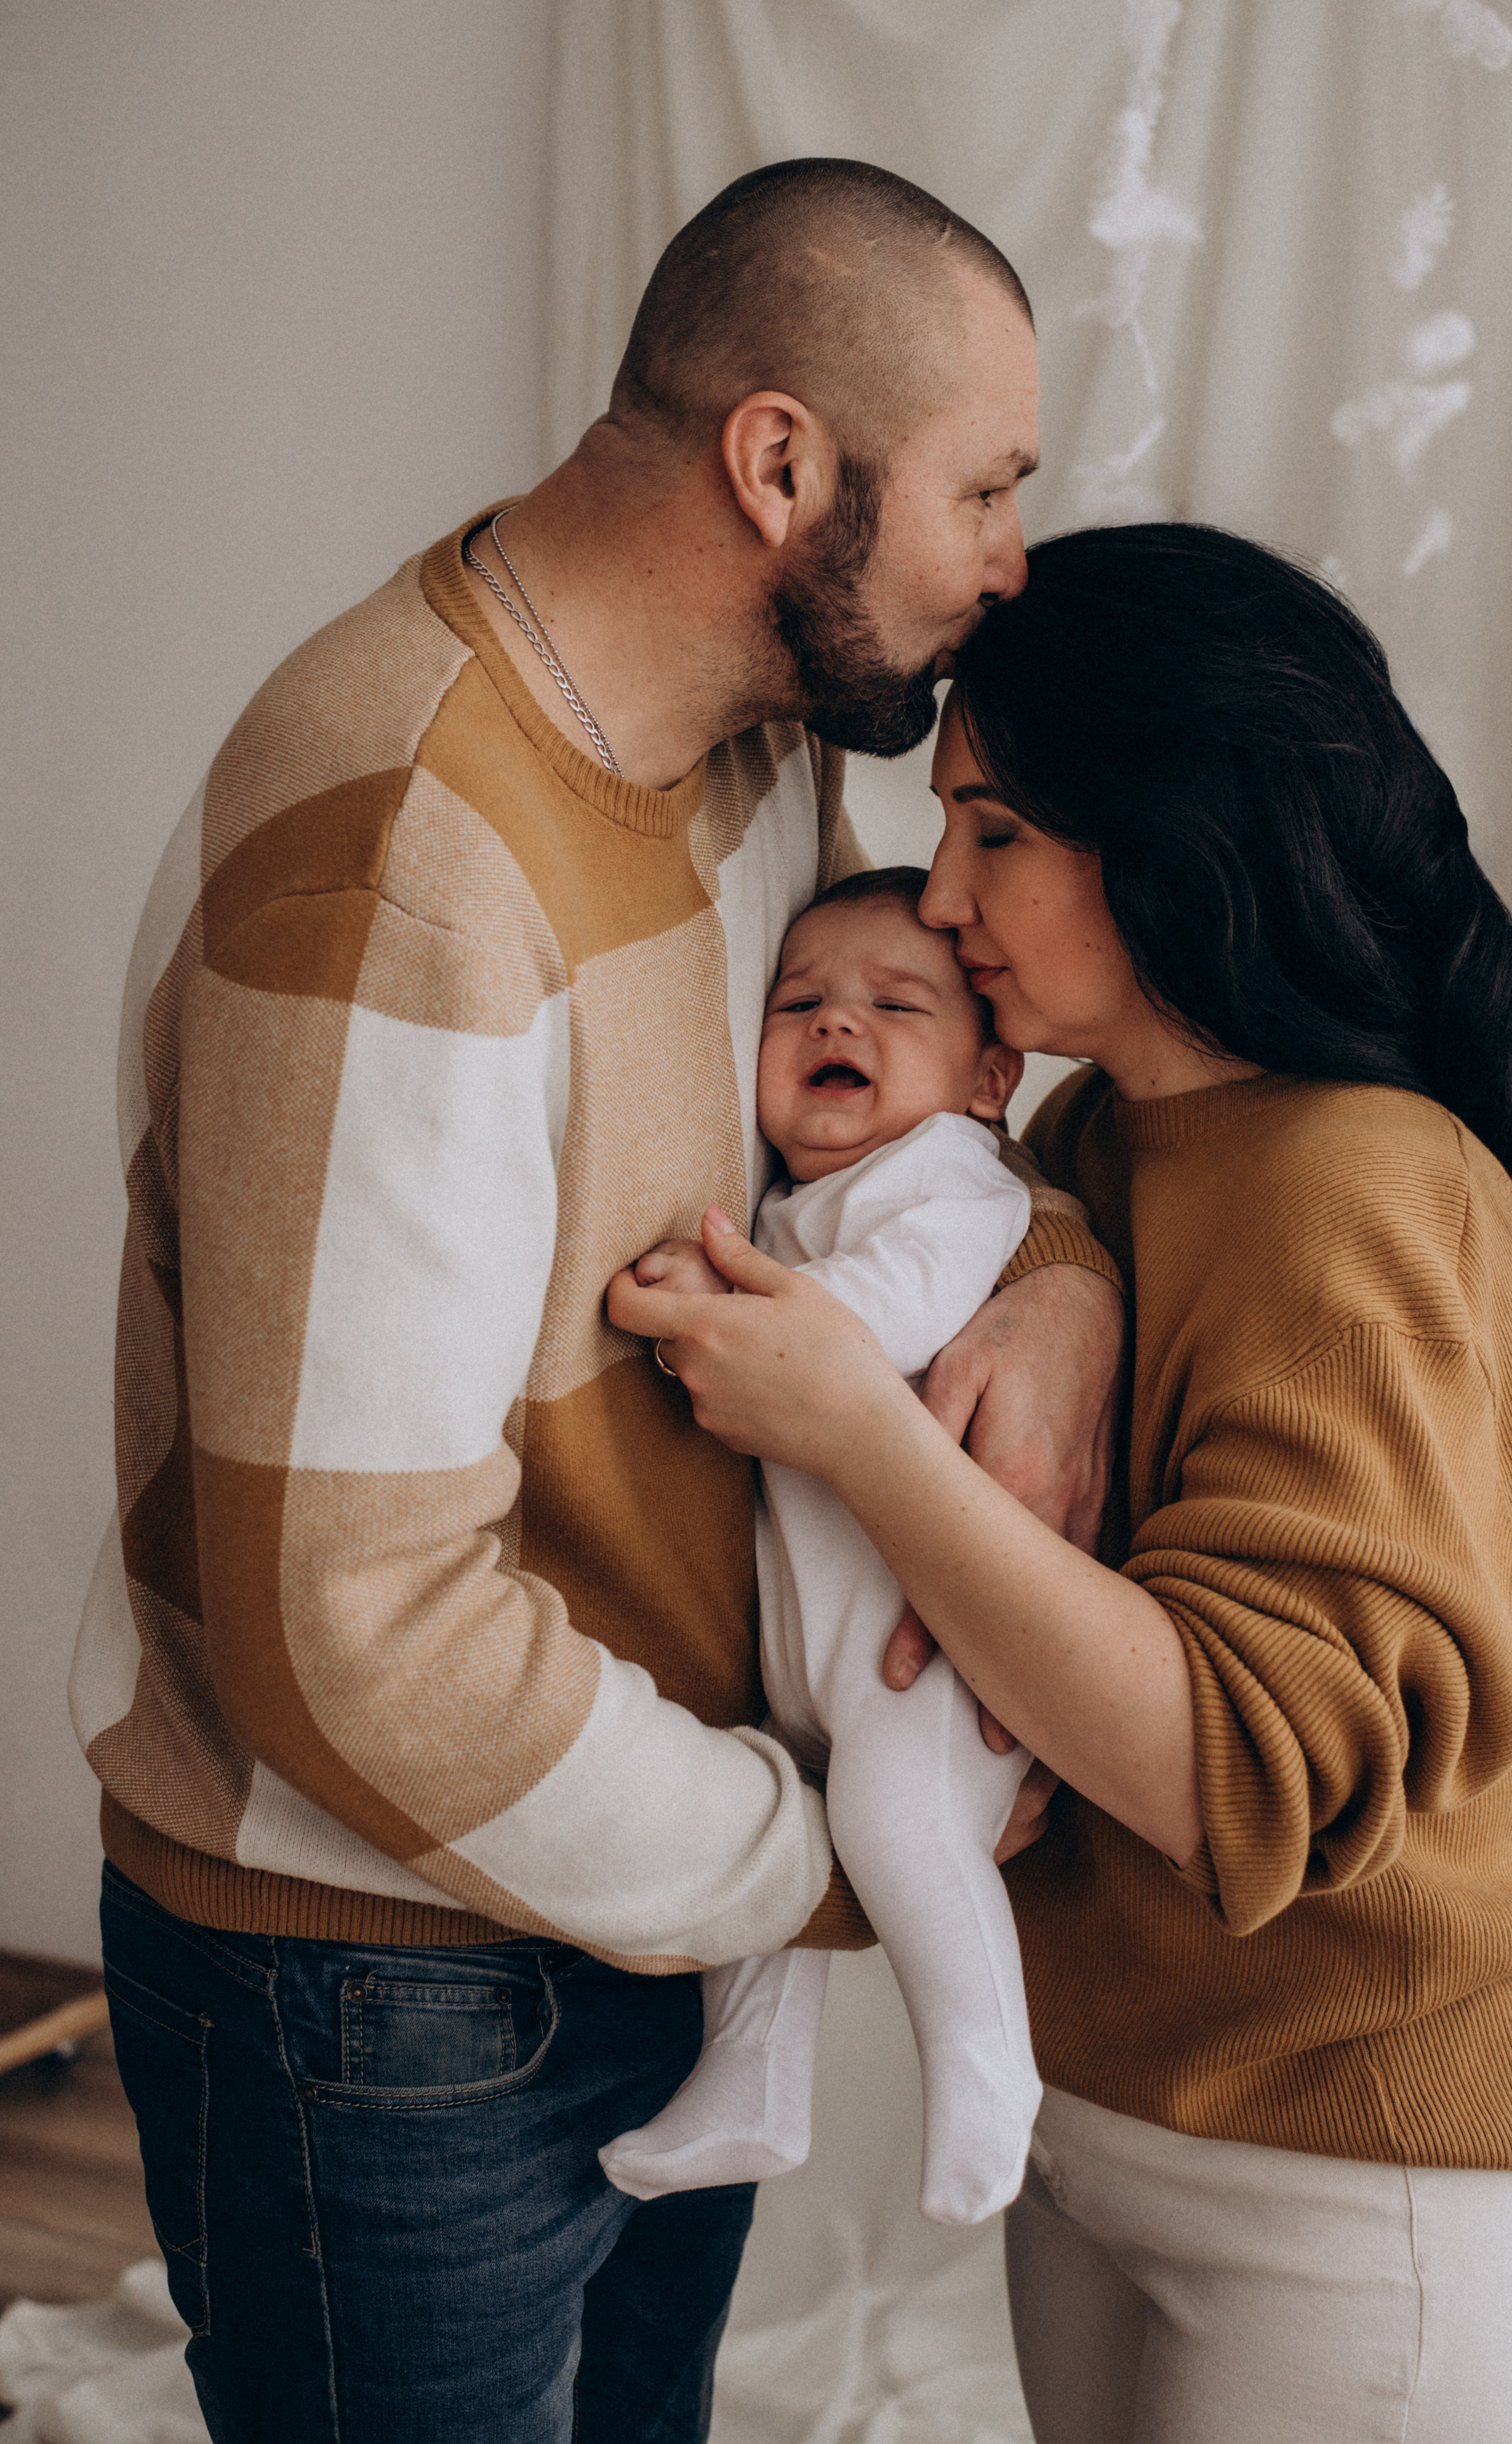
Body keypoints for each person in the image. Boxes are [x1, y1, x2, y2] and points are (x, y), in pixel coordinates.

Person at [72, 159, 1125, 2444]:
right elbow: (358, 1632)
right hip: (390, 1991)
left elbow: (892, 1111)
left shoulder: (747, 757)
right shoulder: (410, 859)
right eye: (984, 485)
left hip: (644, 1908)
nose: (1006, 562)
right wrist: (829, 1852)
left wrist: (1052, 1273)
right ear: (781, 465)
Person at [615, 523, 1512, 2444]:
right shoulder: (1103, 1131)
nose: (944, 890)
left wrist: (855, 1427)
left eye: (995, 830)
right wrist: (1066, 1286)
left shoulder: (1364, 1181)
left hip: (1375, 2167)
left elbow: (1221, 1770)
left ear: (1173, 825)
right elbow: (1046, 1227)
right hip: (1111, 2131)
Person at [602, 868, 1042, 2227]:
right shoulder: (793, 1198)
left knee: (896, 1822)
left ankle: (987, 2068)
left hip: (932, 1659)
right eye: (799, 1004)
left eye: (892, 1004)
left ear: (987, 1079)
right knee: (768, 1821)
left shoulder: (955, 1180)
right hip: (812, 1658)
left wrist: (712, 1310)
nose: (834, 1023)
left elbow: (888, 1317)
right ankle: (753, 2086)